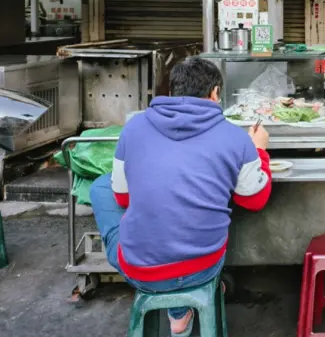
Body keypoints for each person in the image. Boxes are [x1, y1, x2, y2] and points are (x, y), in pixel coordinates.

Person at [89, 57, 272, 337]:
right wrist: (259, 150)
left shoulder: (134, 128)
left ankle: (178, 310)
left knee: (100, 188)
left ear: (171, 93)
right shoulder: (235, 138)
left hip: (140, 269)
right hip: (203, 266)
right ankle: (191, 300)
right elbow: (254, 200)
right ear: (214, 93)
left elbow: (122, 198)